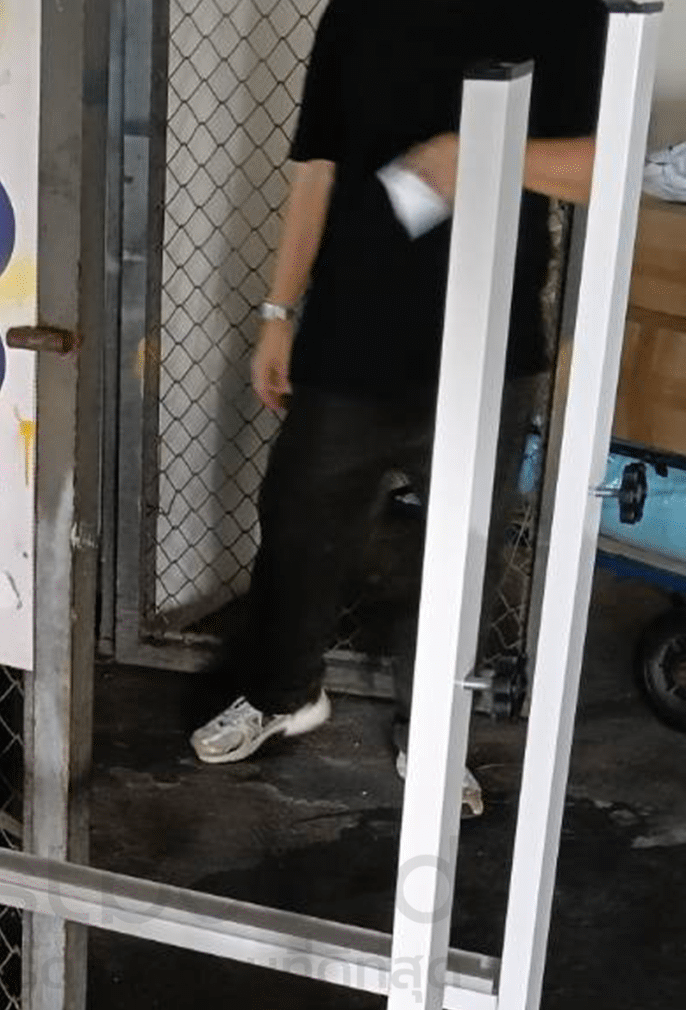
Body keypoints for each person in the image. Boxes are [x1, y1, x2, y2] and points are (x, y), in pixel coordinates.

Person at [190, 0, 607, 814]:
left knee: (461, 555)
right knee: (298, 523)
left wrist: (480, 151)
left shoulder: (566, 14)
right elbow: (318, 169)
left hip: (485, 338)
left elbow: (603, 165)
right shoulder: (357, 11)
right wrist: (277, 312)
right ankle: (284, 694)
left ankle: (435, 735)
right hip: (349, 327)